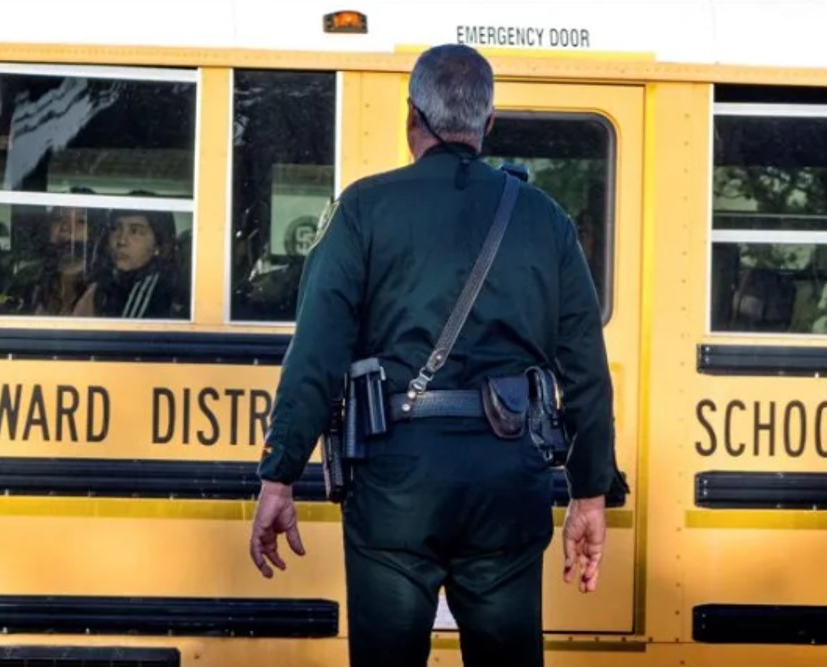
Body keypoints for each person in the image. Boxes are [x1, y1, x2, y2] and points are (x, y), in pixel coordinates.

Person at [249, 44, 615, 667]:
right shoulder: (544, 219)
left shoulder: (363, 208)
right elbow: (584, 370)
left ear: (410, 117)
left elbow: (316, 352)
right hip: (507, 482)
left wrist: (280, 473)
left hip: (396, 483)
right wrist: (590, 493)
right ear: (488, 124)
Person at [73, 204, 178, 319]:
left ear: (158, 244)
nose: (121, 241)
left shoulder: (165, 291)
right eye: (115, 229)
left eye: (135, 231)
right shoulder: (102, 284)